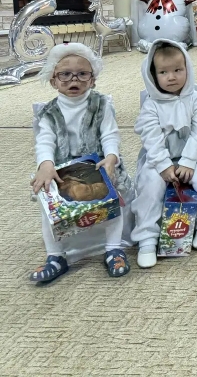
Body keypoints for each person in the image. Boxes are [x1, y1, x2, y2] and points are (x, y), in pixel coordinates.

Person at [29, 44, 132, 284]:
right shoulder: (49, 112)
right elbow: (44, 141)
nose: (73, 79)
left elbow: (110, 135)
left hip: (96, 164)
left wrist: (112, 158)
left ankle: (114, 248)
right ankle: (56, 255)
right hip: (62, 168)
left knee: (113, 197)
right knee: (46, 203)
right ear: (54, 81)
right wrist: (45, 164)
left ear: (92, 80)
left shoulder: (101, 104)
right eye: (65, 74)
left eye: (82, 74)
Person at [131, 40, 197, 268]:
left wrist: (189, 161)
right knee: (149, 186)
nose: (171, 77)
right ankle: (147, 238)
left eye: (178, 70)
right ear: (153, 75)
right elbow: (151, 138)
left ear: (187, 69)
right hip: (160, 157)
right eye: (163, 72)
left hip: (194, 154)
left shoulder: (196, 99)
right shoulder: (151, 105)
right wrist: (163, 166)